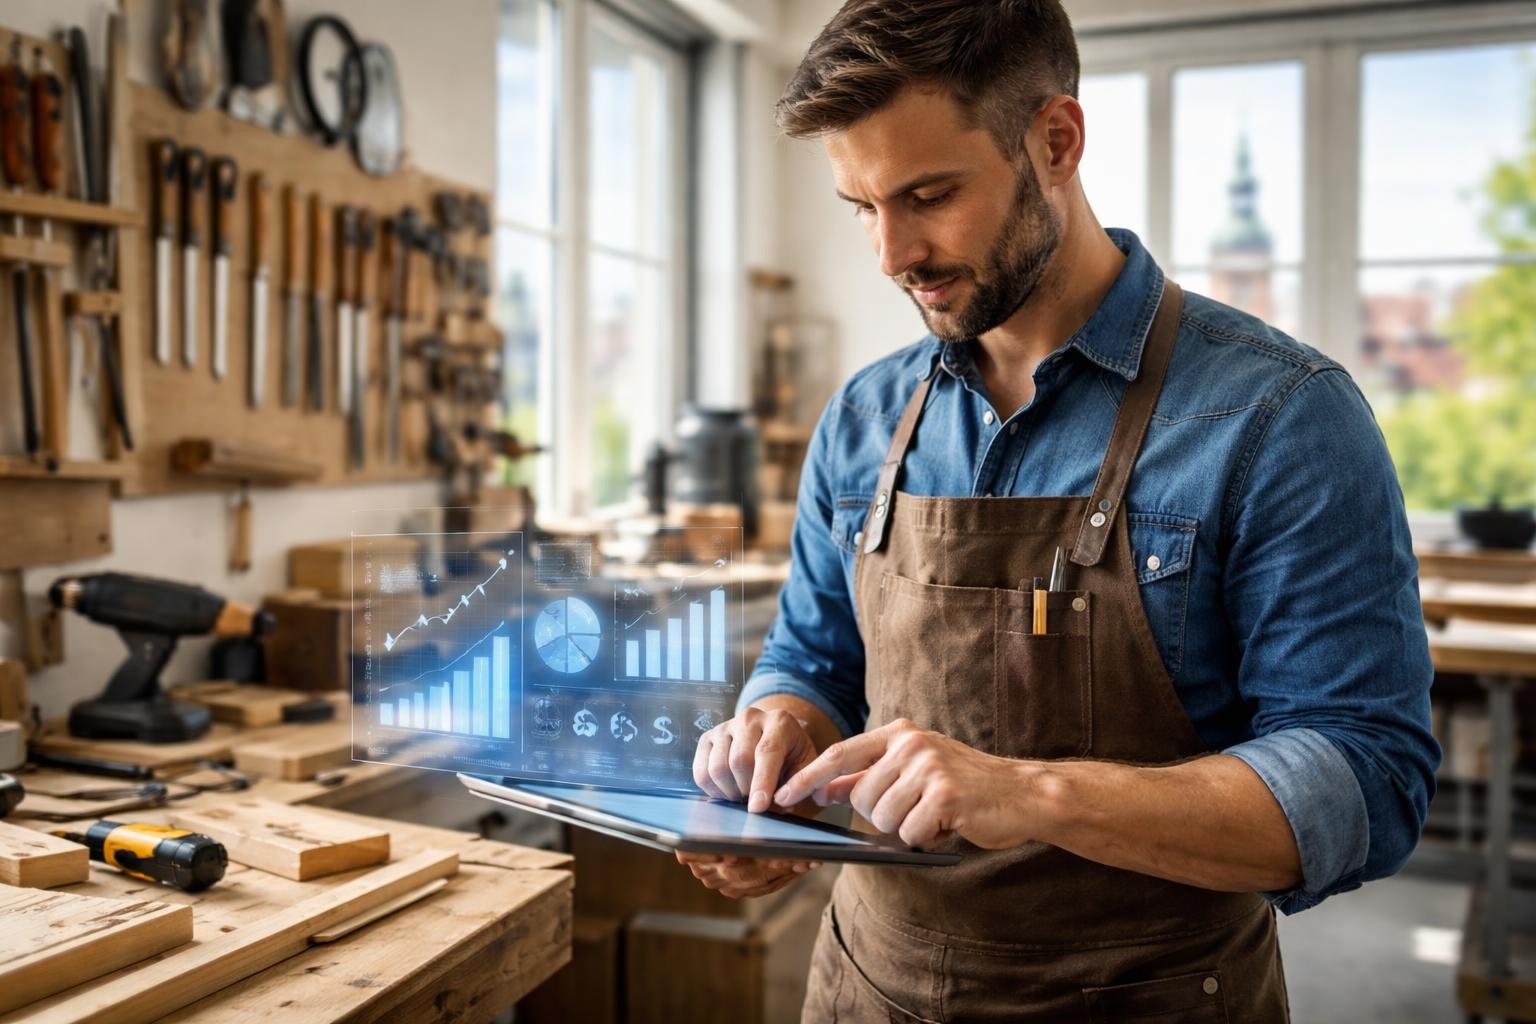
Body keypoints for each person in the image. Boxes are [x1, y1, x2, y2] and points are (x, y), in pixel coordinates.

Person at [678, 1, 1440, 1019]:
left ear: (1056, 141)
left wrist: (1031, 792)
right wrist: (775, 730)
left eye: (929, 194)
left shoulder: (1282, 417)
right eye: (861, 206)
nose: (891, 254)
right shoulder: (864, 418)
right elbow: (816, 659)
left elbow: (1365, 783)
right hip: (871, 986)